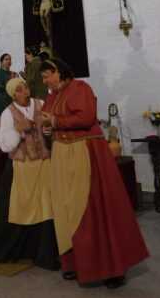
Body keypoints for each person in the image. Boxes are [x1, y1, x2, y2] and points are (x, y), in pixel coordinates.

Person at [40, 59, 149, 288]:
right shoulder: (51, 97)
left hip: (86, 152)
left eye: (47, 75)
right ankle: (74, 262)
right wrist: (47, 129)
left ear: (58, 72)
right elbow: (49, 122)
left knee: (95, 209)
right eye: (43, 77)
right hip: (62, 155)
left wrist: (55, 121)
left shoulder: (80, 88)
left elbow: (87, 117)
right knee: (66, 209)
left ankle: (112, 268)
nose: (45, 81)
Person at [0, 77, 58, 269]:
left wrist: (49, 130)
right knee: (23, 208)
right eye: (19, 89)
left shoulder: (40, 104)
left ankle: (47, 254)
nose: (24, 90)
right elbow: (4, 144)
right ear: (13, 95)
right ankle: (25, 250)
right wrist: (19, 131)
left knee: (47, 207)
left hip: (44, 162)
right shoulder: (8, 113)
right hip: (23, 167)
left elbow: (52, 126)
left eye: (24, 86)